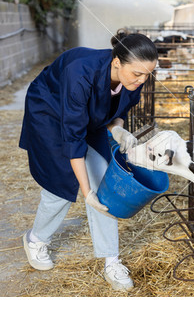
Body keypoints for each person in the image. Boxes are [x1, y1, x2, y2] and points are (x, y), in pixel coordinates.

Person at [19, 30, 158, 292]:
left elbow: (118, 112)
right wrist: (87, 192)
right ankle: (36, 239)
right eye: (137, 74)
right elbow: (74, 140)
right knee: (60, 184)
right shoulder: (79, 73)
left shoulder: (132, 79)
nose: (142, 80)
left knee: (104, 180)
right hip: (49, 111)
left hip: (87, 113)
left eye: (147, 75)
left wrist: (117, 128)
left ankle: (111, 260)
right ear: (117, 63)